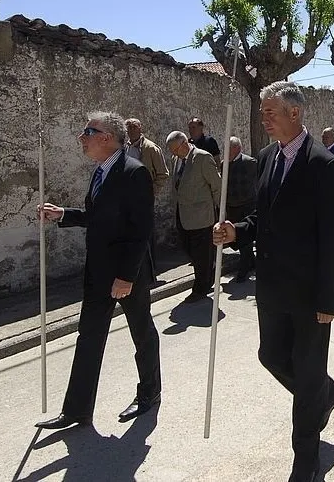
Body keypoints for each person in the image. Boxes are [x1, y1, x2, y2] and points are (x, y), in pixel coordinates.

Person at [213, 81, 334, 482]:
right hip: (271, 288)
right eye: (262, 112)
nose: (264, 118)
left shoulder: (324, 164)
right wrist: (236, 231)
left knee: (306, 375)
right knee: (271, 356)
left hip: (309, 294)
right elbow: (263, 218)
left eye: (271, 111)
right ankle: (327, 394)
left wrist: (329, 300)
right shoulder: (268, 157)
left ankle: (305, 460)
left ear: (296, 113)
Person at [35, 111, 161, 430]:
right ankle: (77, 410)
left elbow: (141, 230)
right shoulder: (98, 173)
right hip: (98, 272)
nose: (82, 137)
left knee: (141, 332)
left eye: (87, 132)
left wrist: (127, 276)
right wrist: (63, 214)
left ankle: (149, 393)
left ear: (106, 137)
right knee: (88, 337)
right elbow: (97, 217)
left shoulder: (135, 173)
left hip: (126, 274)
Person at [166, 131, 222, 302]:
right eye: (172, 151)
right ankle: (207, 275)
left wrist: (221, 213)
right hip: (183, 215)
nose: (173, 153)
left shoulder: (202, 158)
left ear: (184, 144)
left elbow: (217, 186)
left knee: (201, 255)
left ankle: (201, 288)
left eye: (175, 149)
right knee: (189, 250)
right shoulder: (177, 159)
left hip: (202, 216)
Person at [221, 136, 258, 282]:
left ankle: (244, 266)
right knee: (236, 238)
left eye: (229, 148)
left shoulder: (250, 163)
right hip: (232, 206)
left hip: (247, 205)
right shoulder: (224, 164)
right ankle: (252, 262)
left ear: (237, 149)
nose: (226, 152)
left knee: (245, 239)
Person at [124, 118, 169, 195]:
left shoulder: (151, 148)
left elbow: (163, 174)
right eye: (129, 127)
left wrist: (151, 190)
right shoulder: (125, 148)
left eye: (134, 127)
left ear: (140, 129)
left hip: (144, 193)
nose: (132, 130)